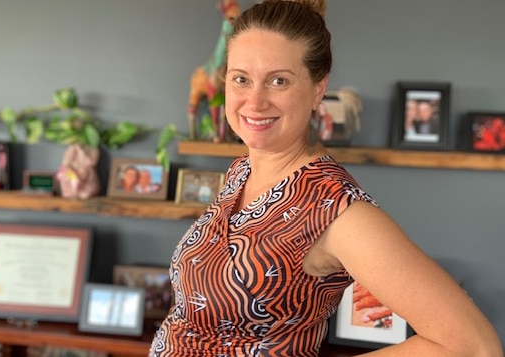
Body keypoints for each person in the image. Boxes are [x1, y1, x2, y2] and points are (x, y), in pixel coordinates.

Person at [149, 1, 503, 356]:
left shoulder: (337, 210)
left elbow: (473, 347)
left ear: (318, 89)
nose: (254, 102)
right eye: (241, 79)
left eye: (279, 81)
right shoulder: (242, 171)